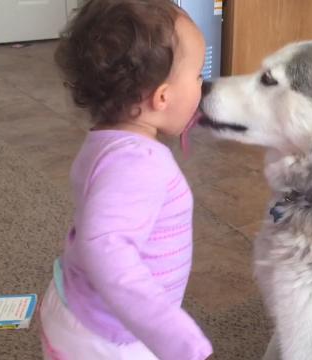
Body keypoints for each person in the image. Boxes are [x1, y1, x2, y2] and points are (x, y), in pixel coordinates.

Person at [39, 1, 212, 359]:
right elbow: (107, 249)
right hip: (108, 334)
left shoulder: (106, 139)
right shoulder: (139, 162)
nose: (202, 84)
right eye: (197, 75)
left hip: (78, 303)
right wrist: (177, 337)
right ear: (163, 97)